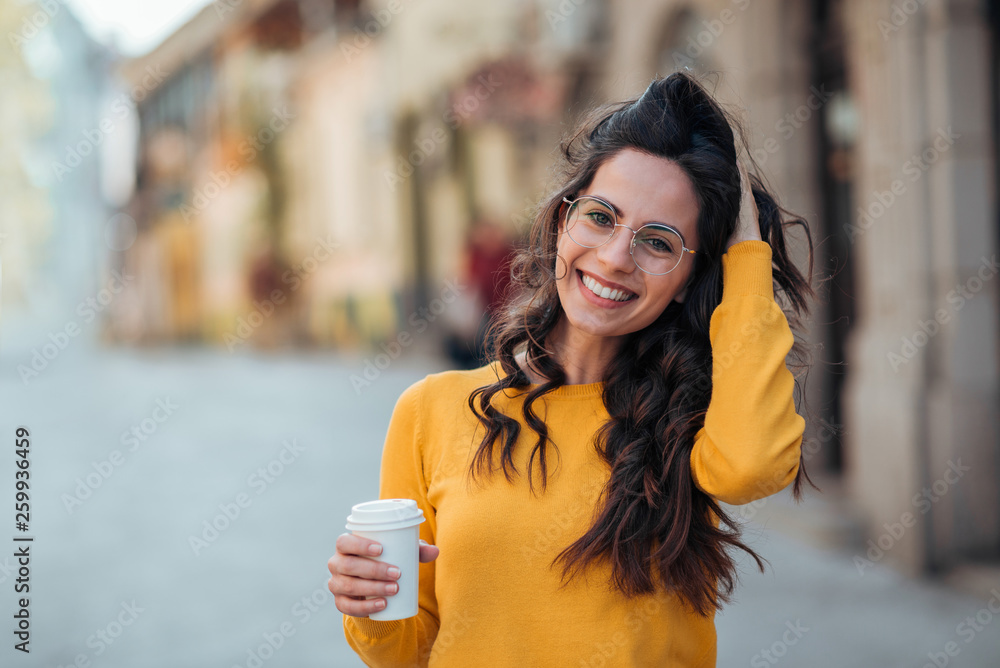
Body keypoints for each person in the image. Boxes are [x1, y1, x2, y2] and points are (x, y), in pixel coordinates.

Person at [328, 71, 815, 667]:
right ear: (563, 222)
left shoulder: (691, 420)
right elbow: (405, 650)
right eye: (601, 217)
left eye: (659, 242)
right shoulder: (429, 411)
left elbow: (753, 467)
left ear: (691, 278)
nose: (615, 259)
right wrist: (368, 605)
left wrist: (744, 257)